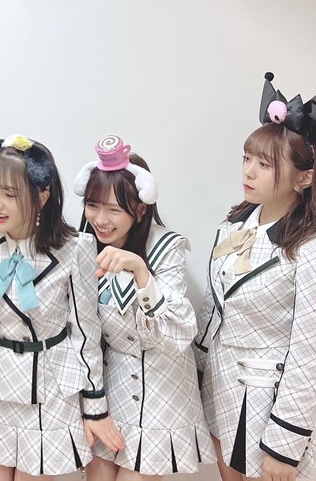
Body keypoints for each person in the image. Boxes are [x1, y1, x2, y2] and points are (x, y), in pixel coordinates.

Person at [0, 134, 125, 480]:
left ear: (42, 195)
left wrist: (95, 408)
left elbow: (85, 334)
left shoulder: (76, 248)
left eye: (10, 194)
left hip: (52, 392)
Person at [194, 73, 316, 481]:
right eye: (246, 158)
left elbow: (311, 355)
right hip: (220, 395)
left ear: (305, 177)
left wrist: (285, 444)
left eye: (264, 164)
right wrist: (194, 380)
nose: (248, 171)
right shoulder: (233, 225)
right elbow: (215, 311)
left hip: (268, 411)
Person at [73, 135, 215, 480]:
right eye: (93, 205)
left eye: (113, 209)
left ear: (140, 209)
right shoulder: (82, 249)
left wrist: (140, 271)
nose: (100, 219)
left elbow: (177, 332)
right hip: (111, 387)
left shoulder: (167, 247)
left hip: (162, 392)